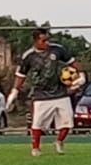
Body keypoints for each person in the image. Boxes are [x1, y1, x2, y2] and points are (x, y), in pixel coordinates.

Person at [9, 27, 79, 156]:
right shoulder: (29, 56)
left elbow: (73, 63)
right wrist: (15, 91)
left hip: (60, 92)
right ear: (36, 41)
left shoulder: (57, 49)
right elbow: (21, 74)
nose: (47, 43)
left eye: (48, 40)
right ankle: (35, 148)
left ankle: (59, 141)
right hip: (40, 94)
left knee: (68, 121)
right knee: (37, 123)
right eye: (43, 40)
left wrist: (82, 76)